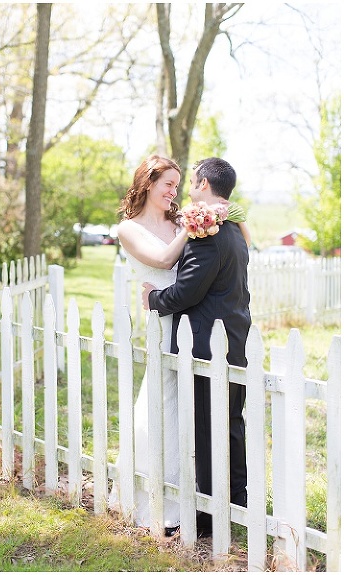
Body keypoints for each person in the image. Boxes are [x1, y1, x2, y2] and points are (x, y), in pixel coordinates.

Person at [142, 157, 251, 539]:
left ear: (204, 184)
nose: (187, 189)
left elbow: (188, 290)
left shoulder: (208, 231)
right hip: (234, 338)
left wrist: (154, 298)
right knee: (231, 425)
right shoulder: (235, 229)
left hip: (205, 345)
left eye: (190, 181)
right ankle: (238, 501)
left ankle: (208, 517)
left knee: (207, 430)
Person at [109, 154, 188, 534]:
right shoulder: (128, 228)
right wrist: (194, 226)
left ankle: (189, 493)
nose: (174, 192)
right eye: (168, 184)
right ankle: (150, 500)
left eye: (177, 185)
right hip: (163, 320)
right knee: (160, 402)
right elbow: (163, 259)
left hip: (193, 316)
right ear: (148, 182)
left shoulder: (177, 220)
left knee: (187, 406)